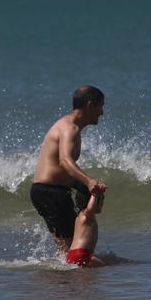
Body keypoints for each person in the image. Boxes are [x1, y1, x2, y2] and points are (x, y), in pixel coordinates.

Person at [30, 85, 107, 259]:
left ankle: (62, 283)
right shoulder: (69, 127)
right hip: (50, 192)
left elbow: (59, 168)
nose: (102, 112)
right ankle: (68, 284)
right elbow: (64, 162)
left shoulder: (70, 127)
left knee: (69, 251)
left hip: (49, 191)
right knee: (71, 254)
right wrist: (88, 181)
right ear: (90, 105)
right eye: (101, 106)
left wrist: (82, 187)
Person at [65, 188, 108, 268]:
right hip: (81, 254)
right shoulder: (87, 215)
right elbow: (90, 208)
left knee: (85, 279)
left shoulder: (80, 216)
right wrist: (94, 193)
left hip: (72, 254)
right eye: (101, 199)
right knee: (106, 269)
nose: (102, 203)